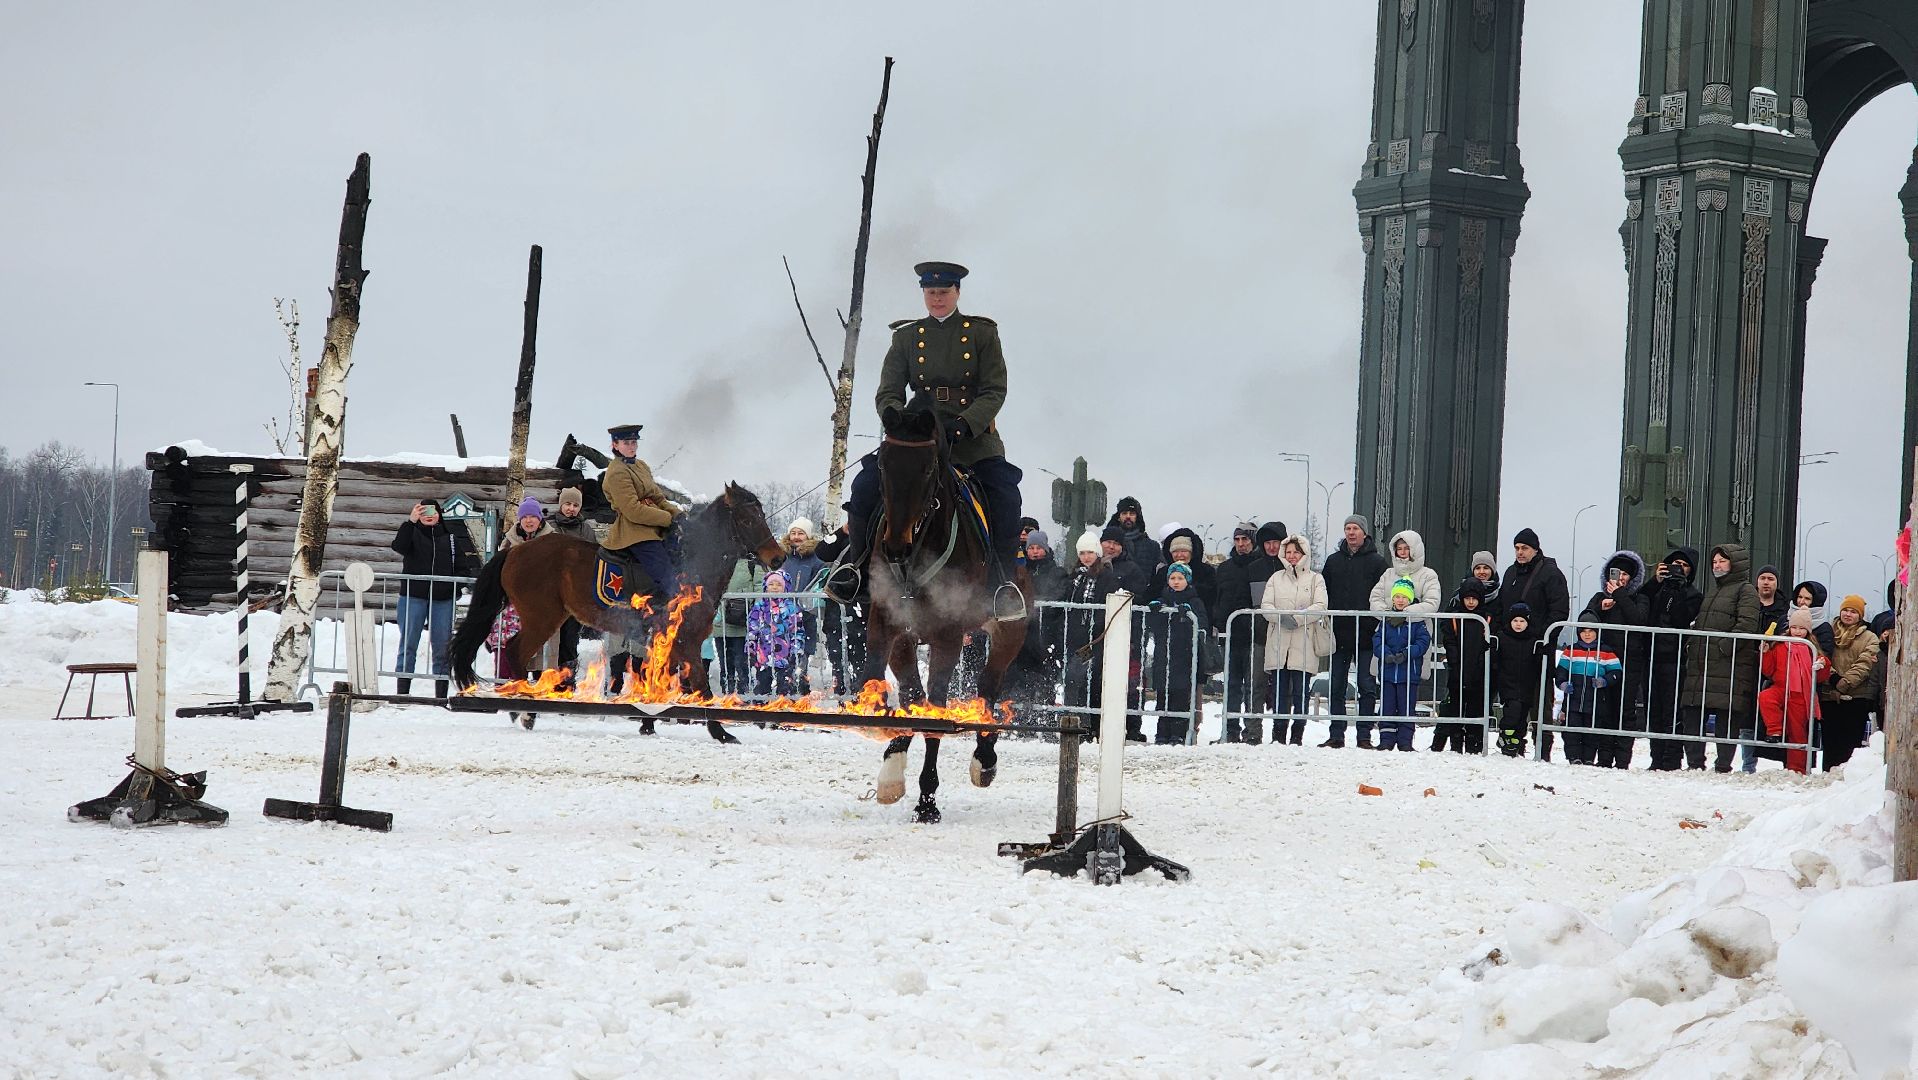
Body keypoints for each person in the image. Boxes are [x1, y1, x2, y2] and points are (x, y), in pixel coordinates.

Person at [826, 261, 1026, 621]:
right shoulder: (905, 337)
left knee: (1005, 496)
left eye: (944, 292)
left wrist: (965, 424)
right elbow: (888, 390)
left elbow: (995, 390)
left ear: (957, 293)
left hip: (970, 440)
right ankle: (856, 571)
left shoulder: (982, 334)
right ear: (924, 294)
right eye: (931, 292)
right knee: (866, 485)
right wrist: (896, 418)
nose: (937, 298)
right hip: (917, 438)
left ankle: (1001, 585)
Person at [1679, 544, 1762, 772]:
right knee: (1693, 712)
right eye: (1714, 562)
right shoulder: (1714, 590)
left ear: (1735, 563)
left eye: (1722, 561)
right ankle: (1695, 763)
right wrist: (1692, 645)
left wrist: (1723, 648)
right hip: (1702, 664)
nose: (1717, 565)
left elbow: (1746, 625)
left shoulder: (1746, 591)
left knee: (1727, 717)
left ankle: (1723, 764)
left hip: (1728, 666)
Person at [390, 499, 479, 696]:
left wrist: (453, 588)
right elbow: (398, 546)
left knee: (442, 646)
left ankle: (440, 693)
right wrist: (410, 522)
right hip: (413, 596)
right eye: (423, 512)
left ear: (439, 514)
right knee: (408, 643)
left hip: (443, 600)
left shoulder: (451, 539)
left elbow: (463, 569)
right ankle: (402, 692)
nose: (429, 515)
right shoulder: (411, 534)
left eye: (433, 511)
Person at [1321, 515, 1388, 748]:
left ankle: (1364, 736)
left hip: (1367, 635)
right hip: (1339, 634)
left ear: (1364, 532)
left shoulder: (1378, 562)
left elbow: (1384, 595)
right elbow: (1324, 593)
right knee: (1336, 685)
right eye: (1347, 528)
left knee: (1367, 686)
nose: (1351, 533)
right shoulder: (1333, 561)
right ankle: (1336, 734)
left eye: (1356, 528)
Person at [1579, 550, 1649, 769]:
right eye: (1618, 573)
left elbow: (1639, 619)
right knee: (1604, 710)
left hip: (1630, 662)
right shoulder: (1600, 598)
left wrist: (1620, 595)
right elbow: (1586, 620)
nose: (1622, 577)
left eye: (1627, 574)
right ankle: (1604, 757)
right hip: (1603, 663)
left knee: (1625, 710)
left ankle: (1622, 759)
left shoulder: (1640, 598)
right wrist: (1600, 608)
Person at [1260, 534, 1330, 746]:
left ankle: (1297, 735)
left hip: (1304, 642)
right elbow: (1266, 606)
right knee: (1279, 692)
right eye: (1288, 552)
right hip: (1279, 643)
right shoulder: (1275, 578)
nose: (1291, 556)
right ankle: (1278, 735)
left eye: (1296, 552)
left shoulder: (1315, 579)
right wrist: (1282, 618)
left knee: (1300, 693)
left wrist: (1298, 619)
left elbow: (1320, 605)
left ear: (1304, 554)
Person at [1063, 531, 1134, 741]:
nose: (1086, 557)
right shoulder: (1076, 576)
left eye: (1090, 552)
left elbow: (1106, 608)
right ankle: (1074, 722)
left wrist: (1095, 632)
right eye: (1082, 552)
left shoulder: (1106, 576)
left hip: (1094, 639)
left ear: (1097, 553)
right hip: (1075, 636)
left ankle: (1084, 726)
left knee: (1083, 681)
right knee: (1074, 680)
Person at [601, 423, 681, 598]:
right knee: (666, 576)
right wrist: (668, 519)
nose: (631, 446)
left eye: (634, 442)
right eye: (626, 443)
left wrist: (678, 514)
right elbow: (632, 510)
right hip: (635, 531)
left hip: (656, 525)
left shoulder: (641, 466)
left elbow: (658, 497)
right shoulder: (616, 472)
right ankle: (667, 613)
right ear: (615, 445)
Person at [1643, 548, 1704, 770]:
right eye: (1674, 564)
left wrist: (1677, 589)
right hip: (1651, 655)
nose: (1678, 568)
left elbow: (1681, 617)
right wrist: (1656, 581)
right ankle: (1656, 757)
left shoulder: (1693, 594)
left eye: (1684, 566)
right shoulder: (1657, 588)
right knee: (1654, 709)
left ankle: (1671, 759)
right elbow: (1644, 607)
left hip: (1675, 658)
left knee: (1672, 710)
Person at [1211, 523, 1265, 743]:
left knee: (1253, 687)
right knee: (1231, 686)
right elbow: (1218, 599)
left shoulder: (1260, 566)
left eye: (1245, 540)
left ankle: (1252, 732)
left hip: (1255, 635)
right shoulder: (1225, 568)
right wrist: (1218, 623)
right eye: (1237, 540)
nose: (1241, 544)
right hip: (1231, 636)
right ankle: (1230, 730)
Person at [1757, 606, 1827, 774]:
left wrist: (1822, 666)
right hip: (1781, 688)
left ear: (1808, 630)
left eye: (1802, 628)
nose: (1797, 632)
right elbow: (1768, 670)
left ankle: (1797, 770)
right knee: (1765, 697)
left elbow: (1824, 673)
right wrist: (1765, 653)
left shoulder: (1812, 648)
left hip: (1801, 694)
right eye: (1794, 627)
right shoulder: (1779, 645)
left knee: (1798, 733)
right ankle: (1774, 729)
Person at [1007, 530, 1070, 711]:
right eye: (1031, 548)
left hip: (1046, 633)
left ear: (1046, 549)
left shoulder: (1056, 572)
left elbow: (1059, 597)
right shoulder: (1020, 571)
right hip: (1023, 632)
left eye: (1038, 548)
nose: (1035, 552)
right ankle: (1019, 717)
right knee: (1019, 677)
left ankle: (1046, 720)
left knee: (1044, 678)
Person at [1147, 563, 1209, 744]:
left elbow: (1202, 624)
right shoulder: (1163, 599)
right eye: (1172, 578)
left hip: (1185, 656)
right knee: (1163, 695)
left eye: (1180, 578)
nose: (1176, 582)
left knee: (1181, 696)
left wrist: (1189, 616)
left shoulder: (1195, 600)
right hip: (1164, 655)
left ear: (1187, 581)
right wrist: (1155, 612)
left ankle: (1179, 732)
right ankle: (1162, 732)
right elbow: (1153, 626)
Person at [1819, 595, 1881, 771]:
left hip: (1856, 696)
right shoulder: (1829, 632)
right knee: (1830, 742)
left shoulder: (1869, 637)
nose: (1848, 614)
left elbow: (1865, 662)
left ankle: (1846, 778)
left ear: (1860, 615)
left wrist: (1845, 682)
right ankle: (1827, 775)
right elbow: (1821, 654)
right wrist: (1832, 678)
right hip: (1829, 695)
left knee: (1850, 743)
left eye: (1853, 611)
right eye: (1846, 610)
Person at [1434, 577, 1493, 753]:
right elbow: (1449, 639)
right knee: (1454, 710)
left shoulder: (1487, 619)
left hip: (1478, 674)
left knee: (1475, 711)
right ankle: (1455, 745)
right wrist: (1453, 659)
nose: (1471, 602)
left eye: (1474, 598)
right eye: (1467, 598)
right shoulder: (1454, 617)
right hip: (1457, 673)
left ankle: (1474, 746)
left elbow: (1491, 643)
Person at [1372, 579, 1431, 752]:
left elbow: (1423, 641)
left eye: (1404, 597)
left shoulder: (1417, 622)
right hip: (1389, 674)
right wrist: (1386, 654)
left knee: (1406, 709)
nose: (1400, 600)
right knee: (1387, 708)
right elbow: (1377, 640)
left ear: (1410, 600)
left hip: (1408, 675)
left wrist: (1407, 653)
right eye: (1397, 596)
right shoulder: (1385, 620)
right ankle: (1386, 741)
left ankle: (1405, 742)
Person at [813, 514, 867, 696]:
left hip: (863, 612)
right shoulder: (844, 539)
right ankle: (843, 697)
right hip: (835, 611)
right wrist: (841, 531)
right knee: (838, 659)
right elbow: (822, 551)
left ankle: (861, 697)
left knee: (861, 658)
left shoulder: (874, 540)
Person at [1554, 624, 1622, 766]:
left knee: (1591, 731)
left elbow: (1616, 672)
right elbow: (1560, 671)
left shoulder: (1606, 652)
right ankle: (1574, 757)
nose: (1587, 634)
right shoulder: (1571, 650)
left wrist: (1605, 681)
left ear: (1597, 633)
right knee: (1571, 730)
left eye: (1591, 631)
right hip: (1573, 699)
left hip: (1596, 701)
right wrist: (1562, 684)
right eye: (1583, 631)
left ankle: (1589, 758)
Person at [546, 486, 593, 680]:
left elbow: (592, 557)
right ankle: (546, 678)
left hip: (576, 593)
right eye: (567, 504)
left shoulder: (586, 529)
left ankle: (566, 681)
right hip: (553, 592)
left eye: (575, 505)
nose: (571, 508)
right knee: (550, 636)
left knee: (570, 638)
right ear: (561, 505)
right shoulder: (549, 527)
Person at [778, 518, 827, 693]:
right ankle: (784, 694)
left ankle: (800, 692)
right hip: (782, 618)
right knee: (782, 657)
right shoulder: (782, 557)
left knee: (800, 659)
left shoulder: (816, 561)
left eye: (801, 533)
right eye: (793, 533)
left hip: (805, 618)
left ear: (808, 536)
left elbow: (819, 586)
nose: (796, 537)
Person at [1493, 603, 1548, 756]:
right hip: (1508, 683)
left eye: (1522, 621)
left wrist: (1541, 655)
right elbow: (1496, 658)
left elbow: (1538, 663)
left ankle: (1516, 741)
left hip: (1526, 685)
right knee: (1512, 713)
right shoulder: (1502, 637)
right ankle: (1505, 736)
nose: (1518, 624)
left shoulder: (1533, 640)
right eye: (1515, 620)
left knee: (1522, 717)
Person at [1498, 528, 1571, 641]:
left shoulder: (1551, 573)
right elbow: (1501, 604)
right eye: (1517, 548)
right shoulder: (1510, 572)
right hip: (1508, 643)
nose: (1520, 552)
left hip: (1537, 645)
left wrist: (1542, 637)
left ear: (1535, 549)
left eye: (1524, 548)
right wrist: (1501, 633)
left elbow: (1559, 610)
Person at [711, 556, 768, 696]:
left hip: (742, 624)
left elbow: (761, 590)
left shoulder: (752, 564)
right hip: (720, 623)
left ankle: (744, 695)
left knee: (741, 664)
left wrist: (754, 616)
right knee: (725, 664)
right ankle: (727, 694)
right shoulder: (717, 560)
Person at [746, 569, 805, 698]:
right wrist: (750, 648)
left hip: (785, 657)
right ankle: (760, 712)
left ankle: (784, 712)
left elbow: (797, 631)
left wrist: (797, 651)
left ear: (785, 588)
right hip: (764, 658)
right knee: (762, 689)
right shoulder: (759, 606)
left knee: (785, 689)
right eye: (771, 584)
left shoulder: (792, 608)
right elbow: (752, 629)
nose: (775, 588)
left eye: (779, 585)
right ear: (766, 587)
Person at [1106, 497, 1163, 581]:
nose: (1128, 516)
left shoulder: (1152, 546)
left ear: (1137, 517)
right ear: (1118, 517)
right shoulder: (1108, 544)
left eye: (1132, 513)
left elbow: (1159, 575)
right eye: (1124, 513)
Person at [1790, 579, 1839, 659]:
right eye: (1799, 597)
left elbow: (1824, 656)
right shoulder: (1785, 619)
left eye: (1807, 599)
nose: (1802, 601)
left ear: (1816, 601)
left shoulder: (1824, 629)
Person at [1755, 565, 1788, 634]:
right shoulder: (1746, 603)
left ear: (1777, 583)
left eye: (1770, 579)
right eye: (1762, 578)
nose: (1766, 582)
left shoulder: (1785, 607)